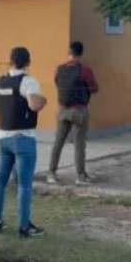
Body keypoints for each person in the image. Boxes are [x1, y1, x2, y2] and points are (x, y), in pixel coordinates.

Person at [0, 46, 48, 238]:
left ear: (10, 61)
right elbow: (34, 105)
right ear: (28, 62)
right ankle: (24, 227)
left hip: (4, 139)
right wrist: (44, 101)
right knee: (24, 184)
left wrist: (0, 103)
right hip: (24, 138)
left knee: (0, 180)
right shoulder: (28, 82)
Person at [47, 41, 99, 185]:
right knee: (79, 144)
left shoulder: (59, 69)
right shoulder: (85, 70)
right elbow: (94, 88)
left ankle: (51, 173)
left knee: (58, 142)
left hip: (63, 109)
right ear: (81, 53)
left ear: (69, 52)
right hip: (79, 110)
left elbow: (57, 83)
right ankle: (80, 176)